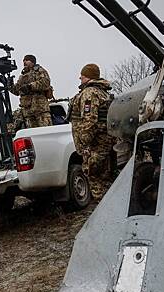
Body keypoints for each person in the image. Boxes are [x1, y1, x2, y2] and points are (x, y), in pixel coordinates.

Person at [70, 63, 116, 200]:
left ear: (88, 77)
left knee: (95, 177)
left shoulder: (89, 93)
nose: (80, 78)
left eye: (82, 76)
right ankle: (111, 204)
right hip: (104, 140)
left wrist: (84, 141)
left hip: (95, 143)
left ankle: (105, 209)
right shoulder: (102, 92)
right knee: (106, 176)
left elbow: (90, 119)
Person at [9, 54, 53, 128]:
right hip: (28, 112)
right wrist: (10, 85)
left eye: (26, 60)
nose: (24, 62)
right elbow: (17, 91)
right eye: (23, 60)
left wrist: (30, 86)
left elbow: (45, 82)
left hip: (40, 110)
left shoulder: (39, 70)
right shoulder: (22, 76)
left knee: (46, 131)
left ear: (32, 62)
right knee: (33, 136)